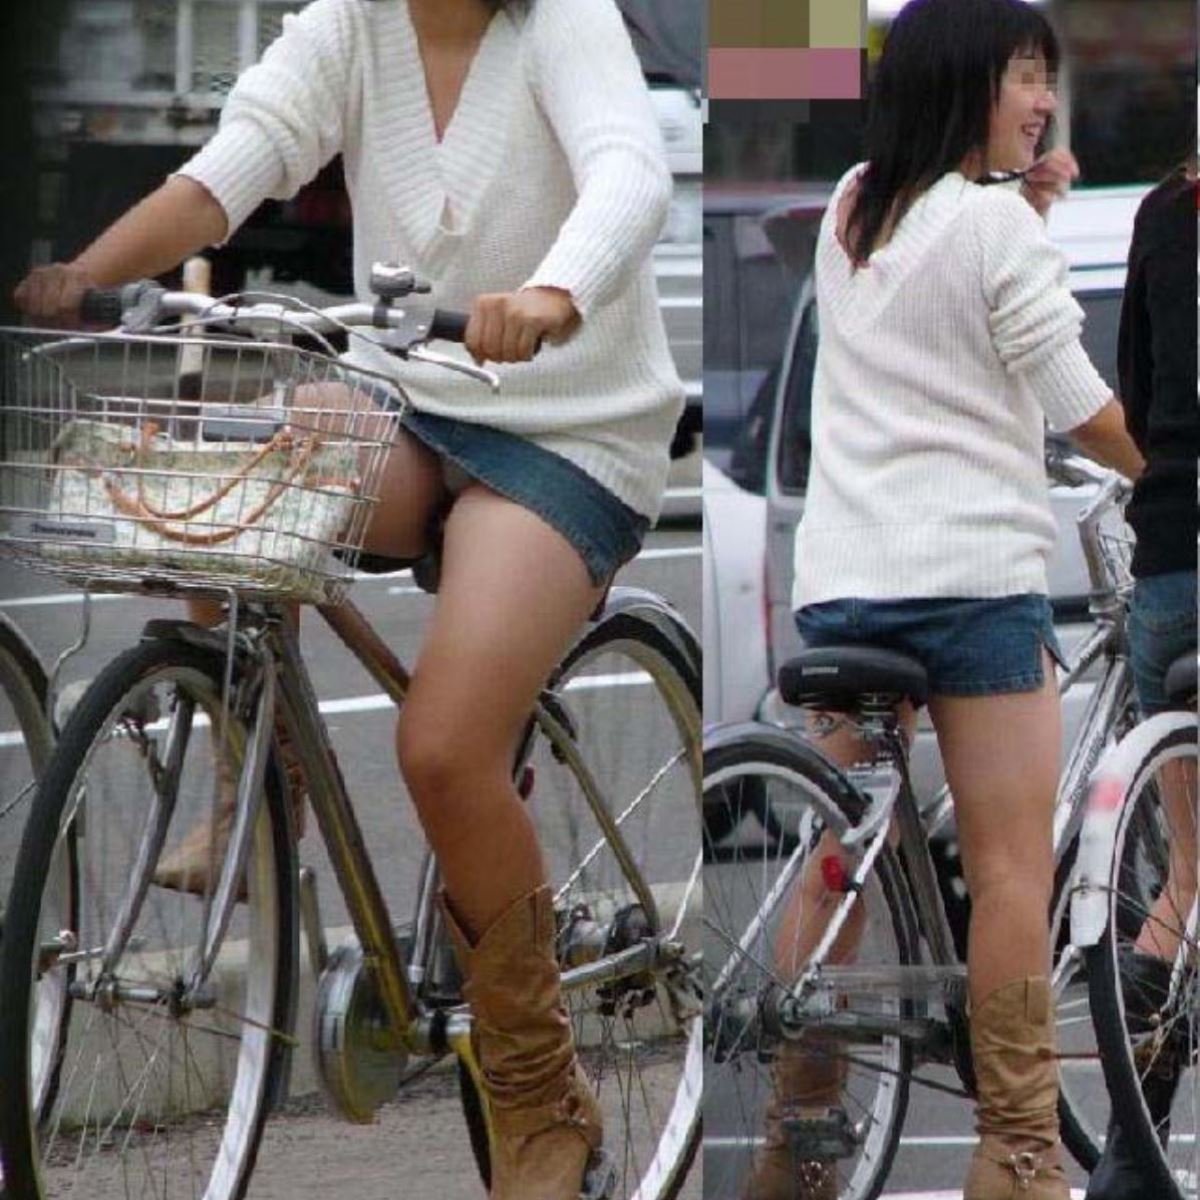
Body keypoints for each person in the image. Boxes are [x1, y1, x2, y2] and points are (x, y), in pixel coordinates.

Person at [14, 1, 684, 1196]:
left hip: (570, 427)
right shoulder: (352, 22)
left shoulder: (563, 20)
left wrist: (553, 292)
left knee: (442, 748)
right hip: (411, 393)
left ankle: (541, 1098)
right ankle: (254, 780)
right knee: (223, 483)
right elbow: (225, 177)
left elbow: (628, 172)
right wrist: (80, 275)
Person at [742, 2, 1145, 1199]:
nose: (1044, 102)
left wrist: (1020, 205)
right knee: (1013, 869)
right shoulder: (994, 228)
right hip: (973, 585)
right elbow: (1077, 402)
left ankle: (797, 1142)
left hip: (846, 588)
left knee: (835, 854)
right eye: (1024, 77)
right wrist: (1170, 471)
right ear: (967, 84)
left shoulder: (854, 206)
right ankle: (1016, 1150)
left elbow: (945, 299)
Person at [1084, 156, 1199, 1200]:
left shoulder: (1165, 211)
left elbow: (1137, 383)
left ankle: (1132, 1151)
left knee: (1190, 876)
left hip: (1169, 573)